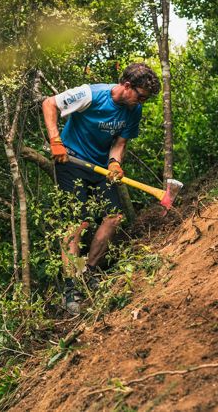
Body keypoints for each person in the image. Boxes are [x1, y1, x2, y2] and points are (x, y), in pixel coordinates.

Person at [42, 63, 161, 314]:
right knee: (77, 225)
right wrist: (55, 140)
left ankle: (89, 272)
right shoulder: (91, 95)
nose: (141, 102)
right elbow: (49, 103)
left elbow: (119, 143)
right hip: (71, 162)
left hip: (100, 168)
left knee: (113, 218)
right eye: (140, 96)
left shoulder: (133, 110)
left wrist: (115, 162)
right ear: (127, 86)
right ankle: (71, 288)